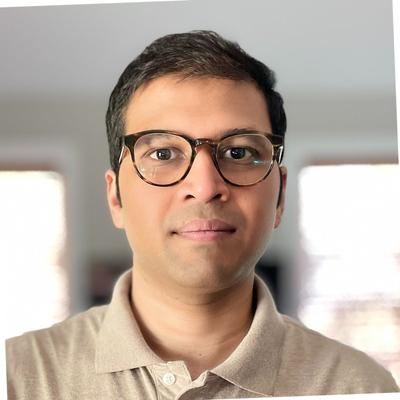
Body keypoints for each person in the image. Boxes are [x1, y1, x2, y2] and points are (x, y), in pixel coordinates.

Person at [6, 30, 399, 399]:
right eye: (163, 153)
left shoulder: (362, 386)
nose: (206, 186)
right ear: (115, 198)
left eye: (239, 152)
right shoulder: (16, 378)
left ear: (279, 195)